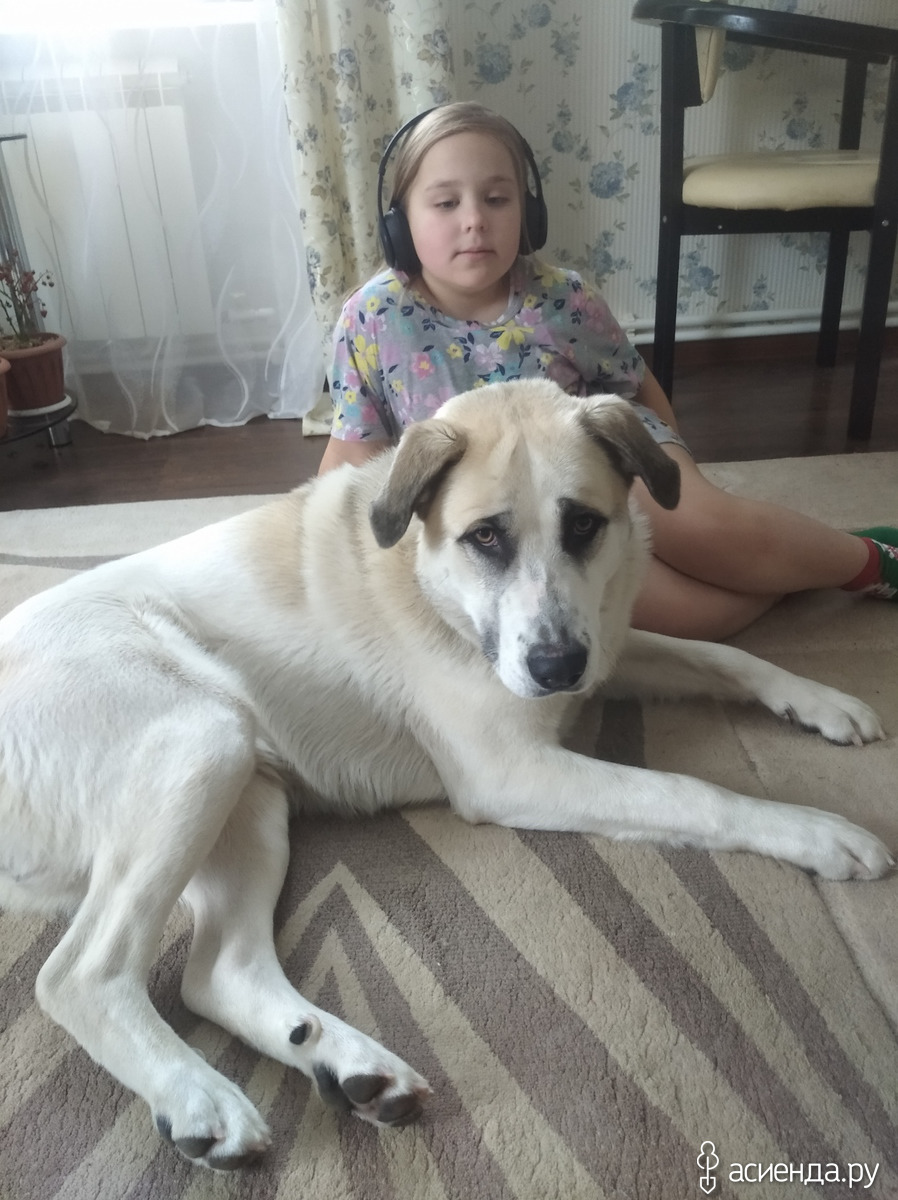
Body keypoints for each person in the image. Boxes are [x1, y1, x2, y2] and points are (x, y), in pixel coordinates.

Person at [318, 102, 898, 640]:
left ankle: (868, 559)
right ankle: (795, 577)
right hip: (504, 507)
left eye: (496, 199)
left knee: (708, 530)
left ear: (529, 212)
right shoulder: (371, 318)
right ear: (399, 224)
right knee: (685, 615)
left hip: (604, 455)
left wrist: (673, 477)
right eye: (446, 204)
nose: (475, 220)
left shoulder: (563, 298)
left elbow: (636, 386)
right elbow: (353, 454)